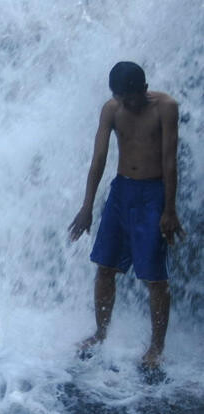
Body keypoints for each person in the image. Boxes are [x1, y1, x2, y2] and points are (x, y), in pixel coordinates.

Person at [68, 62, 184, 371]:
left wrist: (169, 209)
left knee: (155, 278)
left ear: (144, 91)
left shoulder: (166, 108)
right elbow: (99, 159)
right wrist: (87, 206)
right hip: (121, 193)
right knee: (104, 267)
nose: (126, 104)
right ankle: (100, 333)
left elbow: (170, 161)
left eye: (131, 98)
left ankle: (156, 347)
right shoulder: (112, 108)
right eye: (121, 98)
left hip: (153, 194)